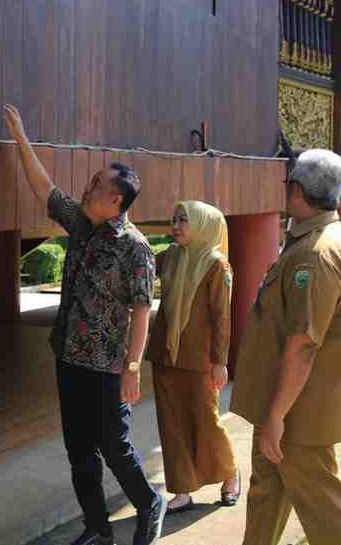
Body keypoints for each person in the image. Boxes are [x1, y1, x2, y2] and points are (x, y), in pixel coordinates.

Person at [3, 104, 166, 545]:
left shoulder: (135, 249)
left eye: (96, 185)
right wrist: (20, 137)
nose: (87, 186)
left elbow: (141, 309)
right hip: (69, 358)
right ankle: (97, 527)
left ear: (116, 200)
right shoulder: (79, 222)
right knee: (79, 450)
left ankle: (150, 502)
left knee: (114, 447)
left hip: (108, 367)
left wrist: (132, 367)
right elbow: (45, 188)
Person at [229, 149, 341, 545]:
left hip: (296, 415)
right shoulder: (310, 241)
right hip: (283, 407)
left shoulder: (316, 255)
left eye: (288, 184)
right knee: (266, 496)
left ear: (297, 190)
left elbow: (303, 344)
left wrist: (276, 416)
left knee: (324, 510)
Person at [146, 201, 240, 514]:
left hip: (199, 358)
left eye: (183, 220)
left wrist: (219, 361)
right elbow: (139, 265)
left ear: (202, 224)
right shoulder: (169, 257)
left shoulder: (216, 265)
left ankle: (229, 473)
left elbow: (221, 318)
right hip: (166, 355)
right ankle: (183, 489)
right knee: (170, 425)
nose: (176, 225)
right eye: (174, 219)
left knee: (206, 421)